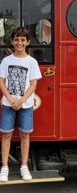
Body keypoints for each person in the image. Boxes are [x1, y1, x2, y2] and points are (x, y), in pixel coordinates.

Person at [0, 27, 42, 181]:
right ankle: (4, 166)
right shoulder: (6, 61)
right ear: (12, 41)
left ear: (28, 42)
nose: (19, 42)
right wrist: (11, 100)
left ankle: (24, 166)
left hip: (25, 105)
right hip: (8, 104)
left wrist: (21, 100)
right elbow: (1, 82)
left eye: (23, 40)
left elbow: (33, 85)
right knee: (6, 134)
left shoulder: (32, 62)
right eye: (16, 39)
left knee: (25, 134)